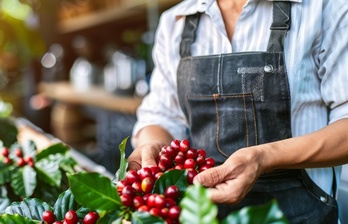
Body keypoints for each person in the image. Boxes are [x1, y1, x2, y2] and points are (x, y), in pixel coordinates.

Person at [126, 0, 348, 223]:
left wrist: (262, 157)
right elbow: (161, 116)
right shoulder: (175, 22)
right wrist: (153, 147)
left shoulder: (325, 7)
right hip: (202, 215)